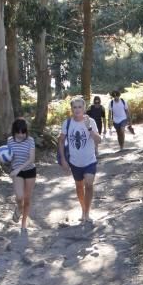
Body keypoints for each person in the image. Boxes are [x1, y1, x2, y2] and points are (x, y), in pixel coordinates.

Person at [58, 96, 101, 225]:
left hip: (90, 161)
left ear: (84, 108)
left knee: (88, 185)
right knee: (79, 186)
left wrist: (89, 128)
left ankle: (86, 213)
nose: (77, 110)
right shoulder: (67, 123)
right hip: (75, 162)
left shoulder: (91, 121)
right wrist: (64, 161)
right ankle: (83, 209)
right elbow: (60, 141)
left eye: (79, 107)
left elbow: (99, 140)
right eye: (74, 107)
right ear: (71, 109)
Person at [6, 118, 36, 235]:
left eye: (23, 132)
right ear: (14, 131)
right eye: (18, 132)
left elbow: (31, 159)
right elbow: (8, 156)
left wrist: (19, 168)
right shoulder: (10, 140)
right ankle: (19, 208)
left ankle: (23, 224)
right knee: (19, 197)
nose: (21, 135)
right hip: (16, 172)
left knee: (27, 199)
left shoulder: (30, 140)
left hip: (29, 171)